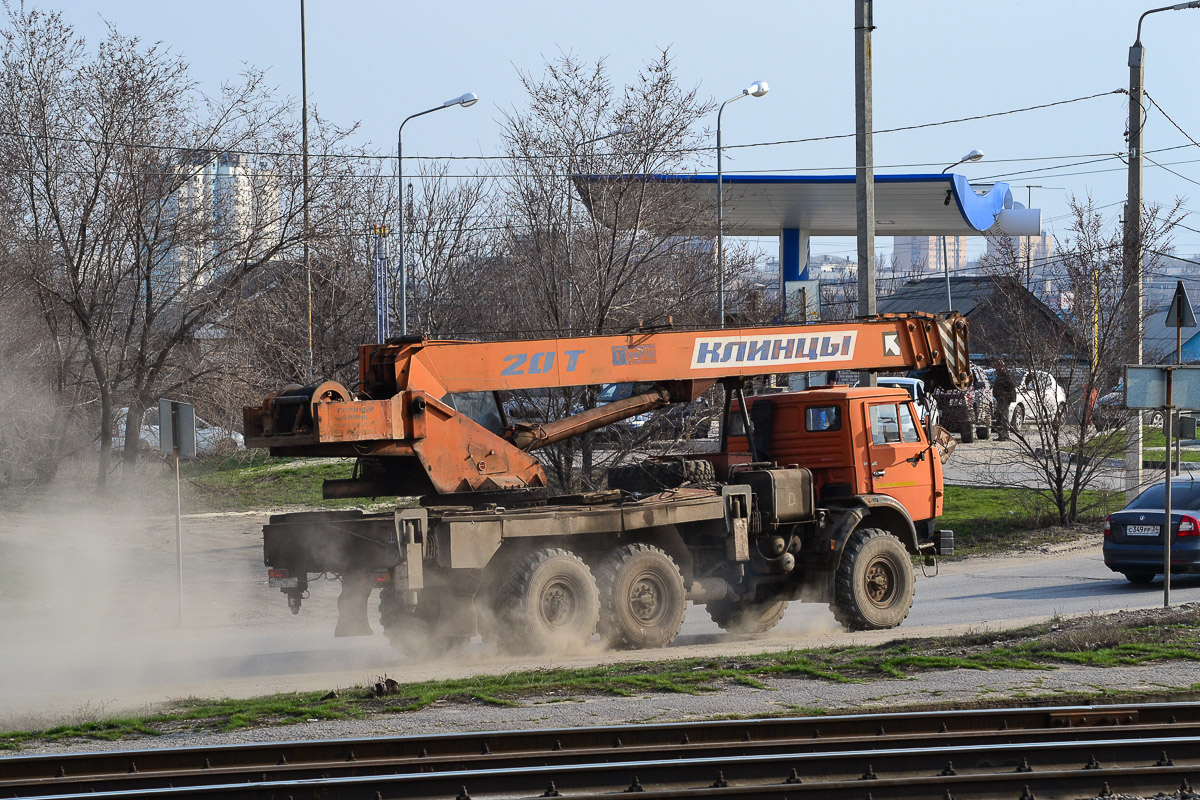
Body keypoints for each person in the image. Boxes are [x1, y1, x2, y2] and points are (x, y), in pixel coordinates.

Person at [994, 362, 1017, 441]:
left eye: (998, 366)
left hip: (1004, 399)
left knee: (1004, 416)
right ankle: (1001, 435)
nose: (996, 367)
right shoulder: (999, 375)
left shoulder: (1005, 375)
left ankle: (1006, 435)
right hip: (999, 398)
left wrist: (1005, 394)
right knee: (1000, 417)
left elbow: (1012, 386)